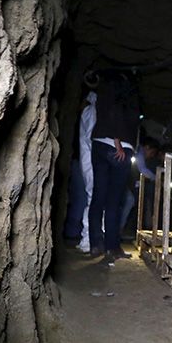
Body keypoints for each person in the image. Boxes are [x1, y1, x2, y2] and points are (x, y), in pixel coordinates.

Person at [87, 73, 140, 263]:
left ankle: (95, 245)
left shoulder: (103, 92)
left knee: (98, 197)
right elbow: (115, 113)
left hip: (99, 145)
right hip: (118, 148)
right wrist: (118, 141)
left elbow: (107, 113)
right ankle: (112, 248)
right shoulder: (122, 93)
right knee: (114, 201)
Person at [76, 84, 97, 253]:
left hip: (88, 161)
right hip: (92, 161)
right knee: (94, 199)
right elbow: (92, 138)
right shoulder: (92, 111)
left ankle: (90, 239)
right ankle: (88, 241)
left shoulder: (88, 111)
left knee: (93, 199)